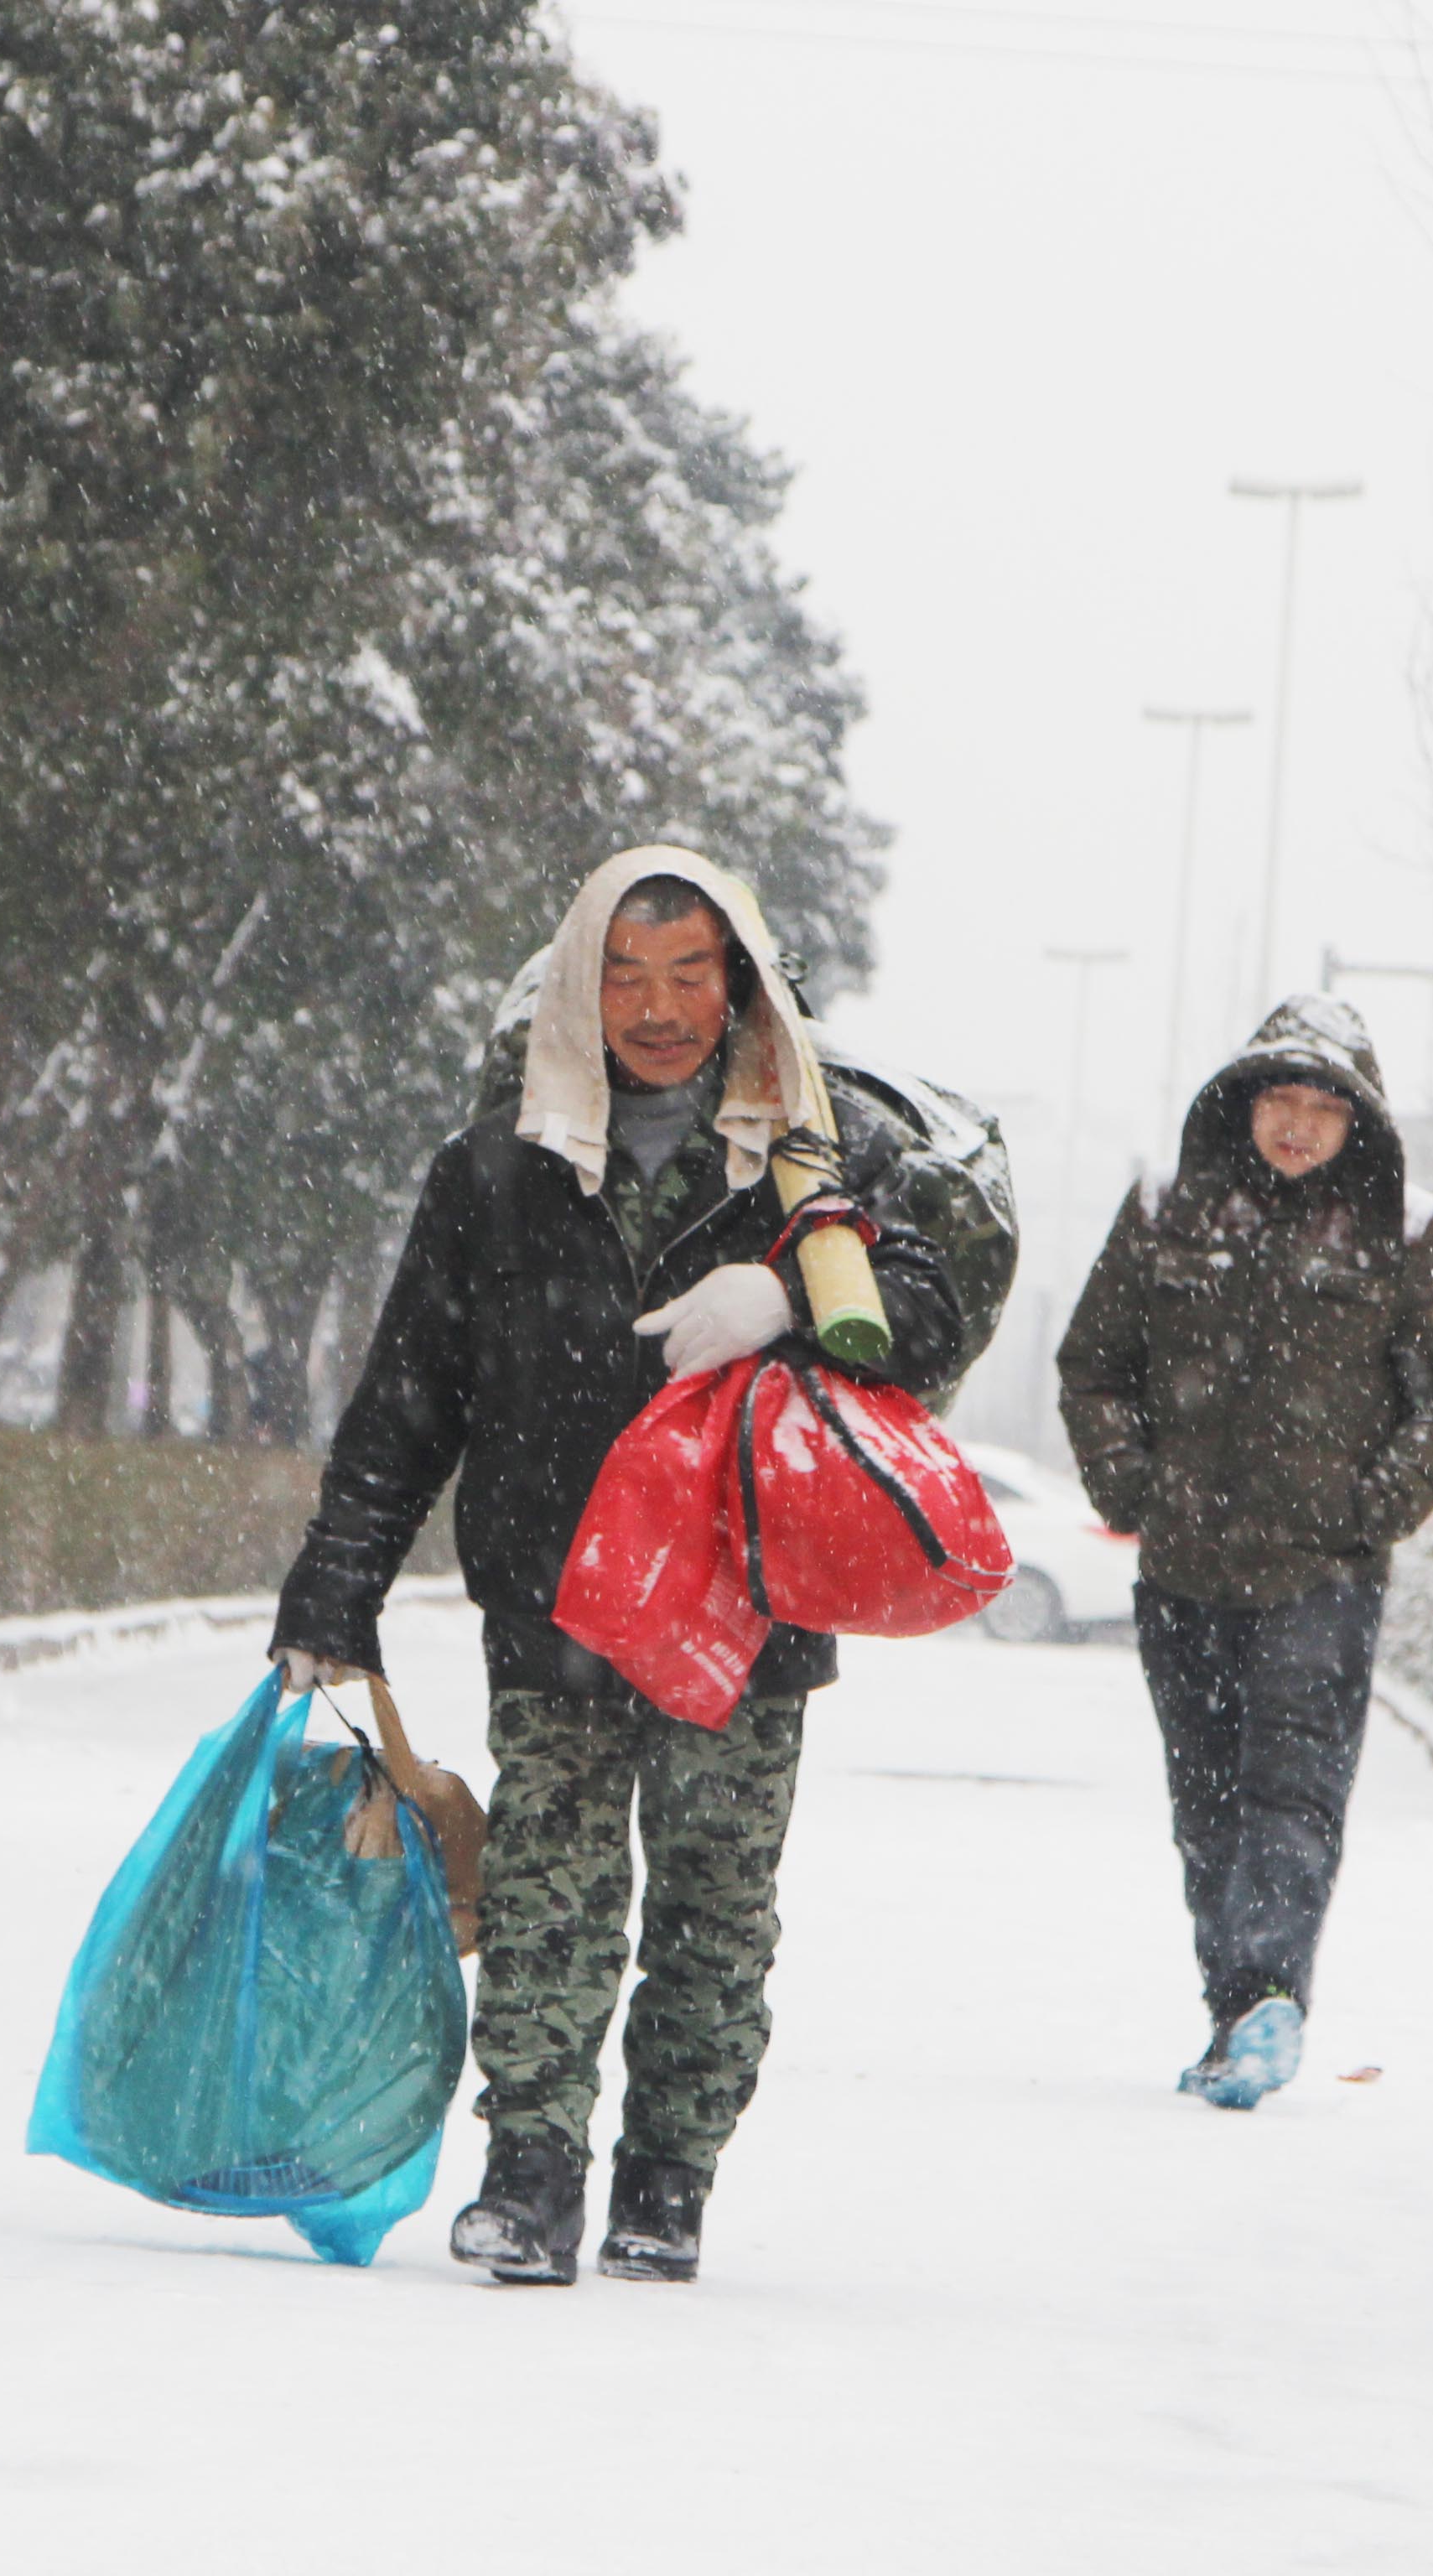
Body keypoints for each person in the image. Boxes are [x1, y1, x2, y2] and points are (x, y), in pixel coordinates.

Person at [268, 848, 976, 2288]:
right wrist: (334, 1593)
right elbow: (410, 1398)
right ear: (581, 989)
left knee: (715, 1904)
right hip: (557, 1591)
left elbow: (932, 1311)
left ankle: (667, 2181)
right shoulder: (495, 1174)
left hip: (744, 1603)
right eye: (627, 976)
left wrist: (780, 1291)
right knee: (544, 1889)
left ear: (742, 987)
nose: (658, 1009)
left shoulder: (814, 1157)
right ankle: (530, 2178)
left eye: (690, 975)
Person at [1056, 996, 1433, 2112]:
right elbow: (1093, 1365)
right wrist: (1134, 1489)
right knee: (1204, 1806)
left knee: (1290, 1795)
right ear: (1243, 1103)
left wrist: (1368, 1509)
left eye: (1321, 1109)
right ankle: (1235, 2014)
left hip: (1321, 1579)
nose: (1297, 1127)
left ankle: (1268, 1993)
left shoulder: (1403, 1231)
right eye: (1279, 1102)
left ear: (1359, 1124)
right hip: (1184, 1574)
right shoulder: (1165, 1210)